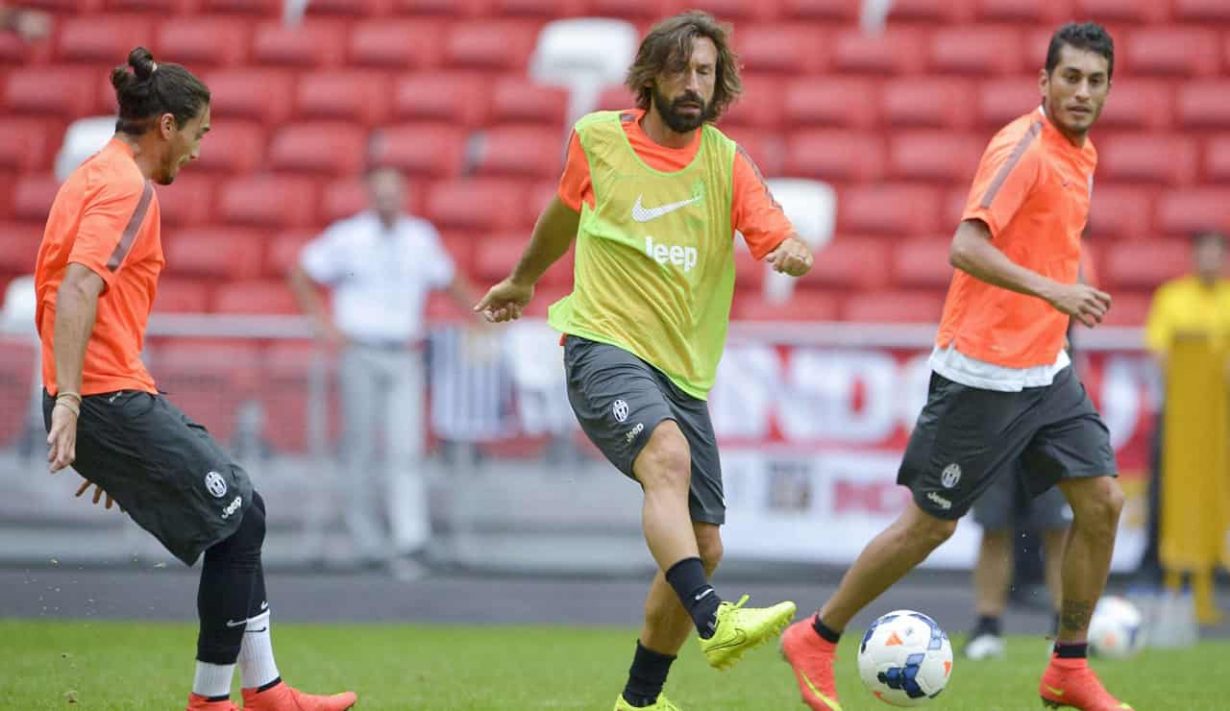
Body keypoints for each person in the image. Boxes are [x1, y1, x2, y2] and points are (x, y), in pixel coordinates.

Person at [782, 22, 1131, 711]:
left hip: (1046, 368)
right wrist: (1056, 291)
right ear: (1044, 81)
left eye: (1095, 81)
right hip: (984, 371)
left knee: (1103, 502)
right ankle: (817, 635)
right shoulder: (1023, 146)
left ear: (1109, 88)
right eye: (1070, 78)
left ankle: (1068, 664)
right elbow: (965, 246)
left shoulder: (1079, 152)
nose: (1082, 91)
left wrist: (1055, 305)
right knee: (931, 526)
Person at [475, 11, 812, 711]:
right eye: (680, 69)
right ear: (650, 74)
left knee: (704, 545)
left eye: (705, 72)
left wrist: (790, 250)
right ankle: (715, 618)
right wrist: (522, 278)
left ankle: (639, 700)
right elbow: (563, 215)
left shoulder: (726, 162)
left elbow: (773, 232)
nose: (692, 84)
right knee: (665, 457)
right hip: (602, 345)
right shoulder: (597, 139)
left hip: (680, 374)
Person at [37, 47, 356, 711]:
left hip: (107, 393)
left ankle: (265, 689)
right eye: (199, 135)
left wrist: (97, 427)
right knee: (237, 525)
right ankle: (215, 699)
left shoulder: (89, 175)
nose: (199, 152)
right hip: (101, 394)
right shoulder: (126, 188)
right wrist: (76, 404)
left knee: (242, 513)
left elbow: (69, 294)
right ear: (167, 126)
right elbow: (75, 289)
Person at [288, 166, 476, 572]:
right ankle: (366, 541)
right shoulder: (349, 236)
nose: (388, 201)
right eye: (381, 194)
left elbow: (450, 281)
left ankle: (411, 538)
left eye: (394, 193)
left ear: (405, 196)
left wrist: (485, 316)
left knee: (406, 448)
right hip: (361, 349)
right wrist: (323, 324)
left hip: (404, 353)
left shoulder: (420, 237)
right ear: (370, 196)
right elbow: (302, 272)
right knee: (361, 447)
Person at [963, 467, 1069, 660]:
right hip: (995, 440)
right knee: (993, 529)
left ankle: (1065, 631)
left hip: (1050, 440)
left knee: (1057, 529)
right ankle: (987, 627)